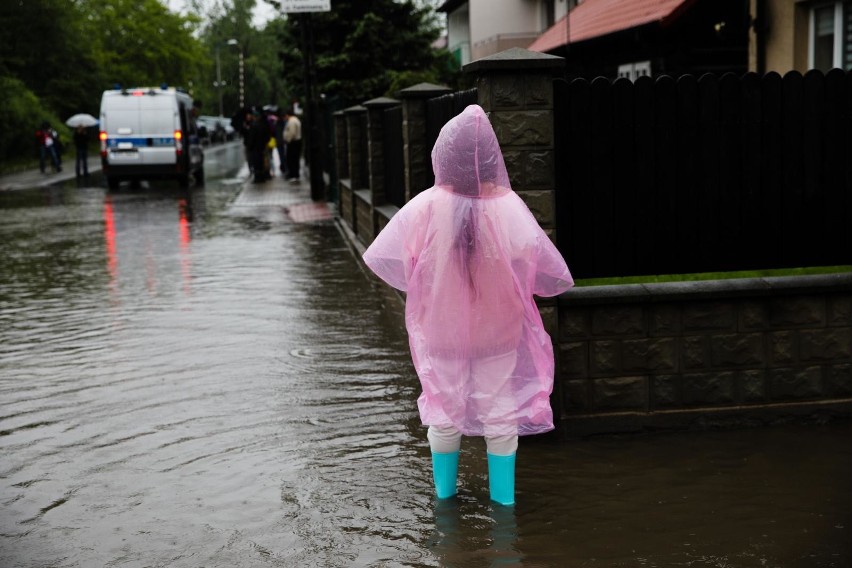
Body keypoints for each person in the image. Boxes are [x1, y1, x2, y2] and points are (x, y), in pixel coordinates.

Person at [362, 105, 573, 506]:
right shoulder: (509, 207)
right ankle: (504, 504)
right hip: (499, 331)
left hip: (442, 331)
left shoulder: (424, 206)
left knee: (444, 408)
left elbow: (387, 258)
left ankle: (445, 502)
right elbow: (539, 264)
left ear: (443, 157)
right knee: (500, 410)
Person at [282, 108, 301, 182]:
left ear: (287, 115)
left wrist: (288, 140)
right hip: (295, 142)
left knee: (292, 159)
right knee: (294, 159)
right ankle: (294, 174)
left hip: (293, 143)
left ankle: (294, 175)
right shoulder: (295, 120)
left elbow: (292, 132)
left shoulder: (292, 121)